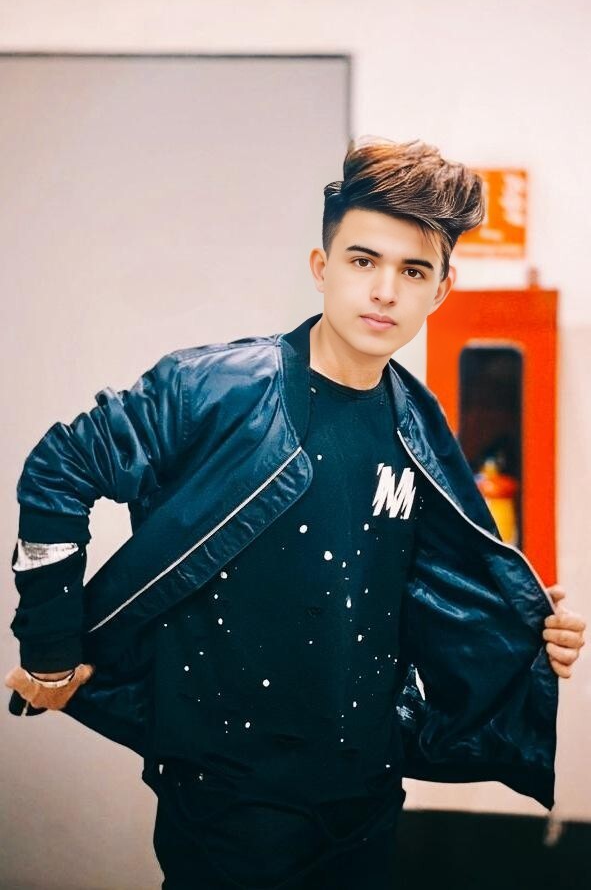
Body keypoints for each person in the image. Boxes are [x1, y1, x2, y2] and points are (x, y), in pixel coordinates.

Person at [6, 138, 586, 890]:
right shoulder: (213, 389)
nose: (385, 291)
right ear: (322, 267)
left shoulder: (420, 429)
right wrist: (50, 646)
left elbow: (428, 592)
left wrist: (524, 632)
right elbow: (59, 468)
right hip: (226, 794)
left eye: (413, 271)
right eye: (363, 261)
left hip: (366, 793)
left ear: (440, 291)